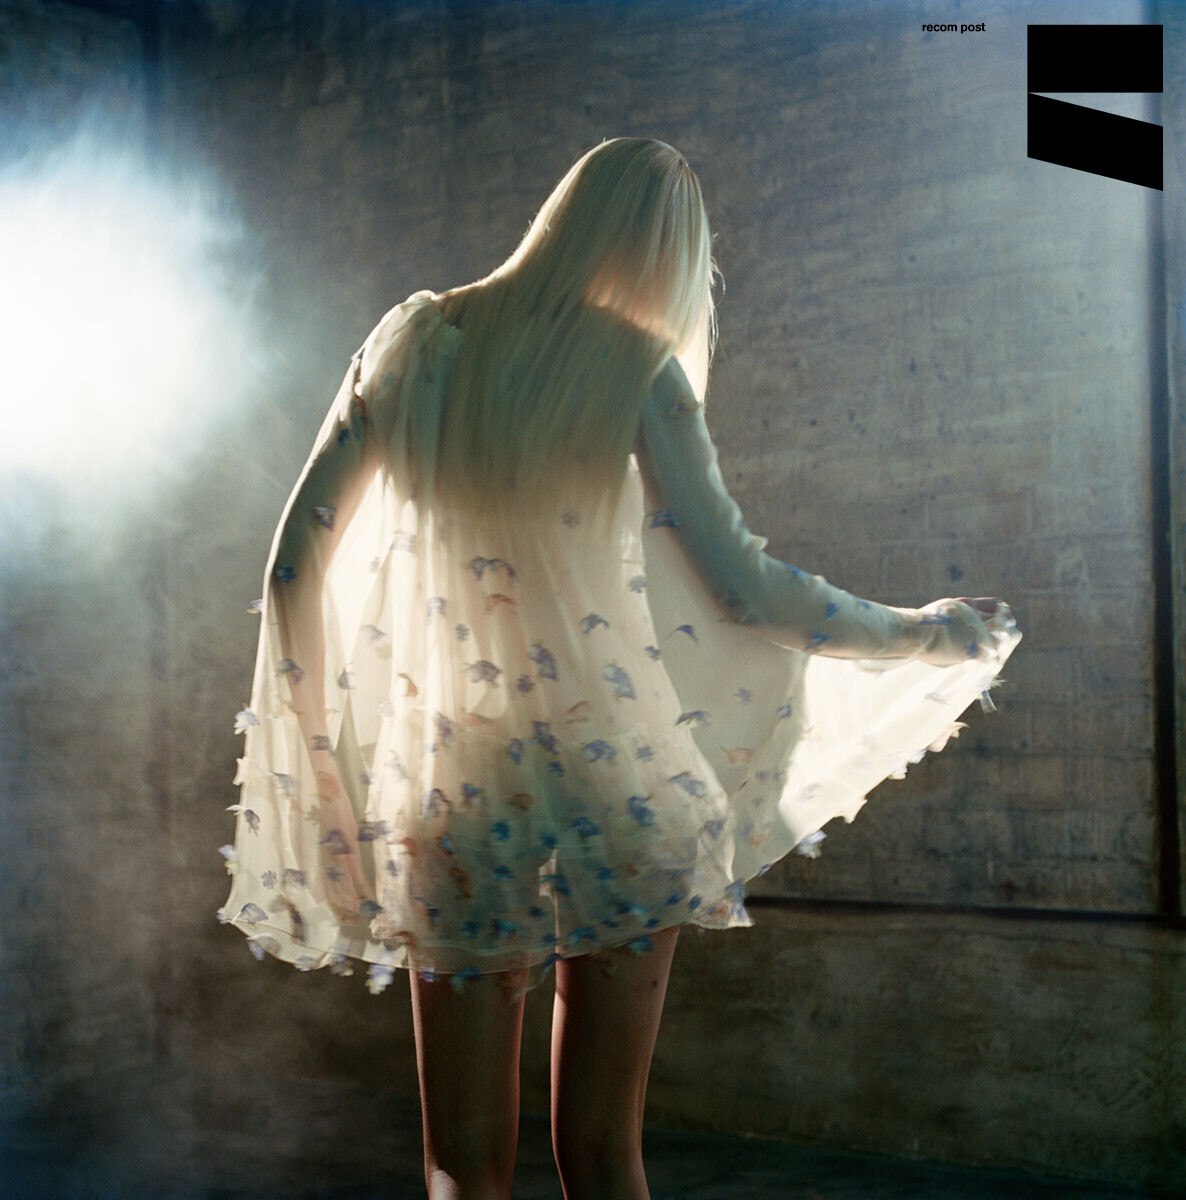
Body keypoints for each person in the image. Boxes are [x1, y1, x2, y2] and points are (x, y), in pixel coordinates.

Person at [219, 137, 1020, 1200]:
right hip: (617, 786)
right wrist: (926, 630)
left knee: (460, 1165)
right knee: (604, 1157)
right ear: (666, 258)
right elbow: (747, 592)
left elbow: (292, 567)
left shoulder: (413, 341)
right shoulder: (636, 366)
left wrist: (319, 759)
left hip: (456, 793)